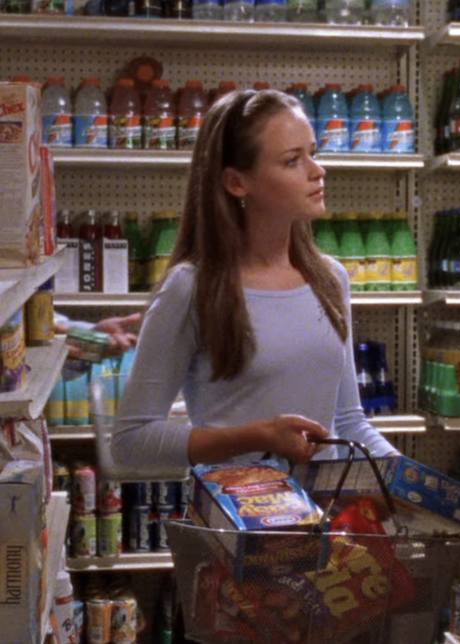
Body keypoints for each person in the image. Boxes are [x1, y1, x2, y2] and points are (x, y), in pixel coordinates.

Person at [112, 89, 397, 471]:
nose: (317, 170)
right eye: (293, 160)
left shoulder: (330, 279)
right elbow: (132, 441)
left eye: (313, 152)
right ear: (236, 182)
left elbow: (347, 423)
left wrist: (414, 483)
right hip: (233, 524)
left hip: (319, 524)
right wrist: (257, 437)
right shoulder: (192, 287)